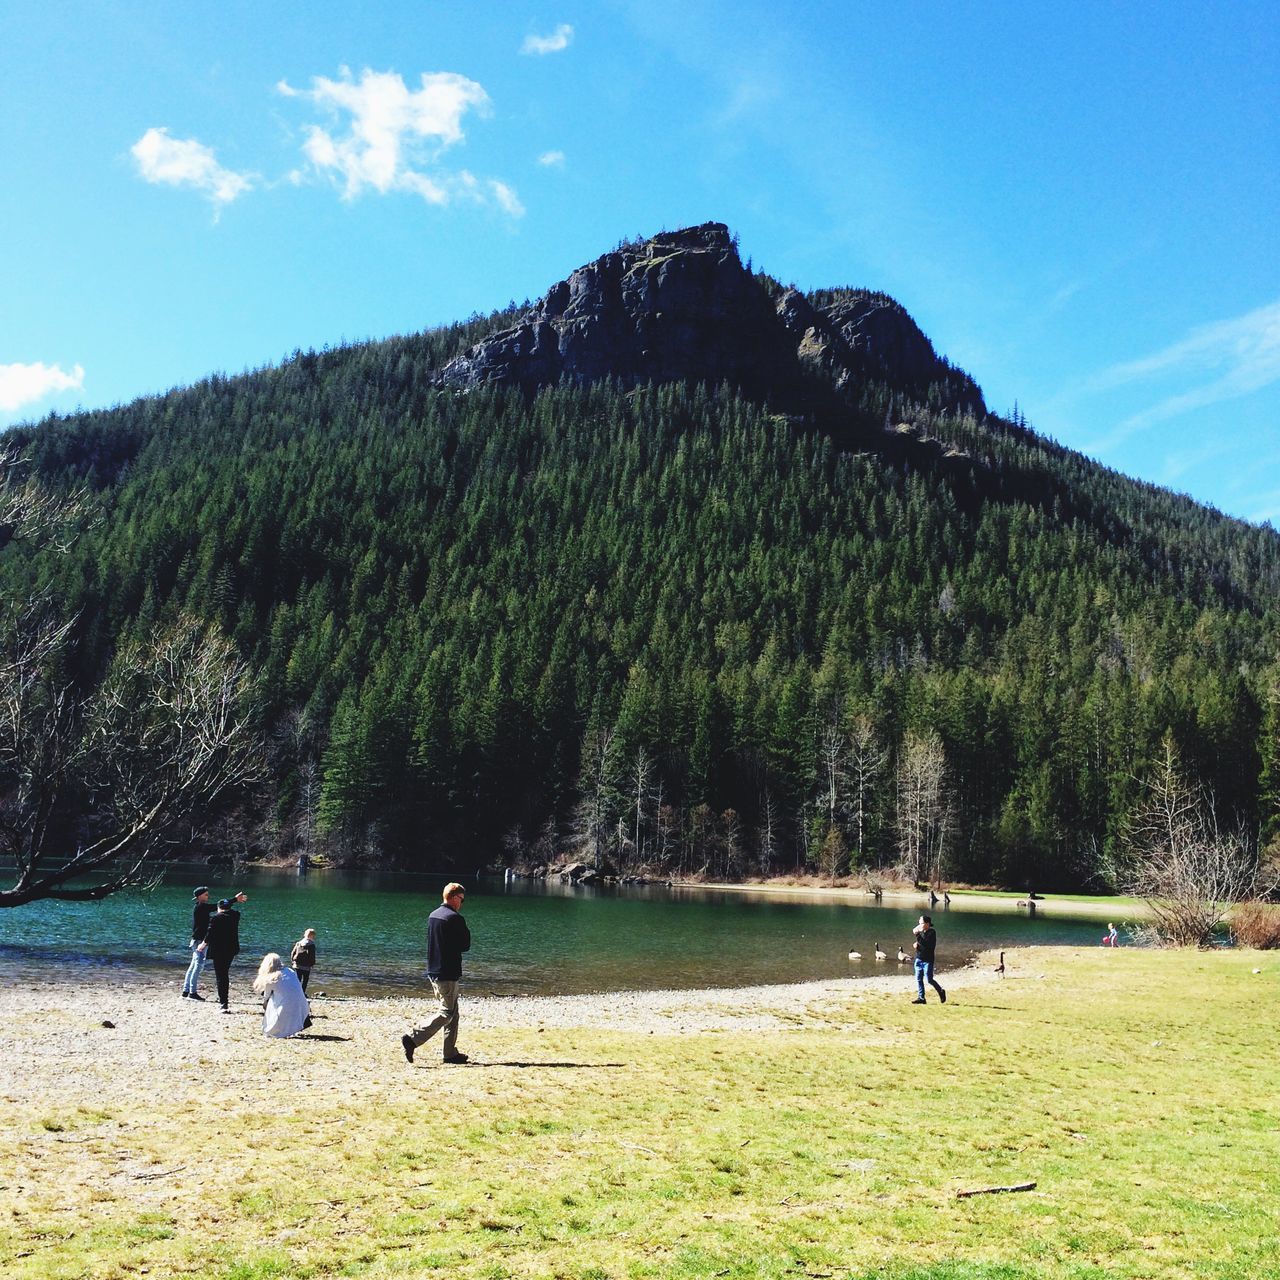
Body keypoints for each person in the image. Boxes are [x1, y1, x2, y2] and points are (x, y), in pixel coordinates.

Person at [401, 882, 471, 1065]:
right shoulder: (454, 918)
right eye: (462, 900)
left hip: (434, 970)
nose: (462, 904)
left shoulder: (434, 916)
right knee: (447, 1012)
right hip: (448, 972)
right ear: (454, 898)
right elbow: (465, 945)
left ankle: (450, 1053)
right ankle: (413, 1038)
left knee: (453, 1013)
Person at [182, 885, 246, 1000]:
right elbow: (218, 905)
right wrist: (235, 899)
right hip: (199, 941)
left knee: (193, 965)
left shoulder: (200, 906)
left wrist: (234, 900)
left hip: (196, 940)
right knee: (198, 965)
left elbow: (217, 906)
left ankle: (186, 991)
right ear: (200, 896)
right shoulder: (201, 906)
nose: (208, 896)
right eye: (206, 894)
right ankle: (192, 993)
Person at [203, 897, 246, 1013]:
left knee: (221, 976)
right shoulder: (235, 916)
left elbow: (210, 933)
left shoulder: (215, 918)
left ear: (218, 908)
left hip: (218, 951)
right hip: (231, 950)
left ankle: (224, 1003)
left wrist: (202, 945)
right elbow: (232, 911)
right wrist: (234, 900)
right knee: (224, 973)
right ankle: (223, 1001)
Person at [253, 953, 310, 1038]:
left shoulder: (271, 978)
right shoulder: (290, 971)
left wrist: (265, 1005)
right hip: (303, 1007)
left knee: (271, 1000)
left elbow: (266, 997)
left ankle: (275, 1026)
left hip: (286, 1008)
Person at [911, 913, 946, 1005]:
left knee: (929, 979)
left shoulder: (932, 932)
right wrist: (916, 946)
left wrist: (917, 935)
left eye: (921, 923)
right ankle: (921, 998)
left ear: (927, 923)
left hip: (928, 960)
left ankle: (941, 991)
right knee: (919, 979)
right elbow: (922, 945)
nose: (919, 925)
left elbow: (927, 944)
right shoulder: (922, 932)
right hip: (919, 959)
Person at [290, 928, 317, 992]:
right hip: (306, 966)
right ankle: (302, 992)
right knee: (305, 980)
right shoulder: (311, 945)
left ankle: (295, 992)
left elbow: (293, 953)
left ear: (305, 934)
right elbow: (312, 955)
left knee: (297, 979)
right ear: (312, 936)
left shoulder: (299, 943)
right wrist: (312, 963)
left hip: (297, 964)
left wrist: (293, 961)